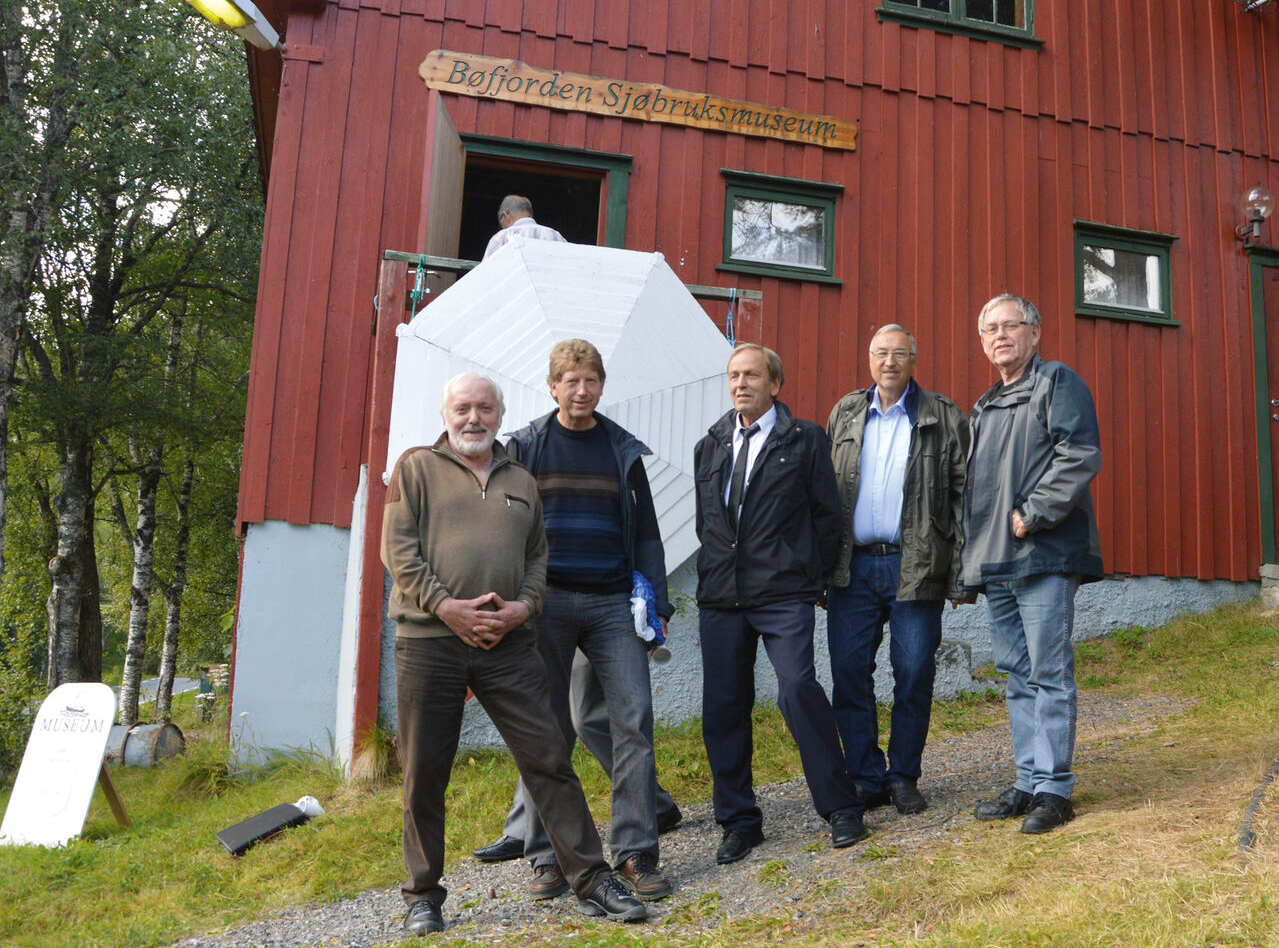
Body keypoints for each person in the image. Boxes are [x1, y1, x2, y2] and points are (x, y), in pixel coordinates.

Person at [381, 372, 647, 935]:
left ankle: (592, 879)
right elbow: (398, 550)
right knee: (425, 773)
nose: (473, 418)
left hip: (509, 644)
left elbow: (537, 561)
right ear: (446, 414)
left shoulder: (521, 479)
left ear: (500, 416)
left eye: (484, 408)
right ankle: (422, 895)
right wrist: (447, 607)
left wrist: (523, 609)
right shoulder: (415, 468)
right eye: (462, 409)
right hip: (430, 644)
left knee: (550, 759)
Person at [499, 340, 672, 901]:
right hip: (544, 604)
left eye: (590, 380)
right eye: (570, 381)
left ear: (602, 385)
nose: (581, 390)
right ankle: (549, 856)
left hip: (611, 605)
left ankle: (636, 853)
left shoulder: (621, 449)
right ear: (552, 387)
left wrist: (658, 603)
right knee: (544, 729)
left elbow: (646, 533)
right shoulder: (524, 447)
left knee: (634, 719)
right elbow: (502, 532)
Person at [693, 342, 868, 864]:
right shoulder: (712, 444)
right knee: (723, 708)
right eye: (733, 376)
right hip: (722, 596)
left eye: (751, 375)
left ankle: (840, 807)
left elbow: (827, 515)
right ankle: (739, 821)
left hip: (784, 591)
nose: (740, 384)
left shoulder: (804, 439)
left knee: (797, 688)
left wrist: (810, 577)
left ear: (775, 384)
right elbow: (710, 521)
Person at [962, 294, 1103, 835]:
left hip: (1041, 553)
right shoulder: (985, 405)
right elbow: (976, 491)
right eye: (990, 328)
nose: (1000, 335)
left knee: (1048, 672)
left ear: (1034, 332)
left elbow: (1079, 453)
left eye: (1010, 326)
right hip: (996, 563)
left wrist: (1032, 515)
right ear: (982, 342)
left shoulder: (1056, 383)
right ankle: (1027, 780)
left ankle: (1054, 789)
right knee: (1016, 675)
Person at [825, 324, 970, 815]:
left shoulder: (942, 415)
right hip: (854, 568)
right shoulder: (845, 412)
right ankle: (867, 777)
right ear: (869, 358)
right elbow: (825, 494)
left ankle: (904, 774)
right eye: (881, 353)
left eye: (899, 353)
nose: (889, 361)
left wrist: (959, 574)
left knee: (913, 672)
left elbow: (962, 498)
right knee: (848, 674)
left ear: (914, 359)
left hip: (916, 566)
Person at [482, 194, 567, 259]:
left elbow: (485, 273)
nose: (502, 227)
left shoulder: (502, 237)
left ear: (505, 215)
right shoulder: (555, 235)